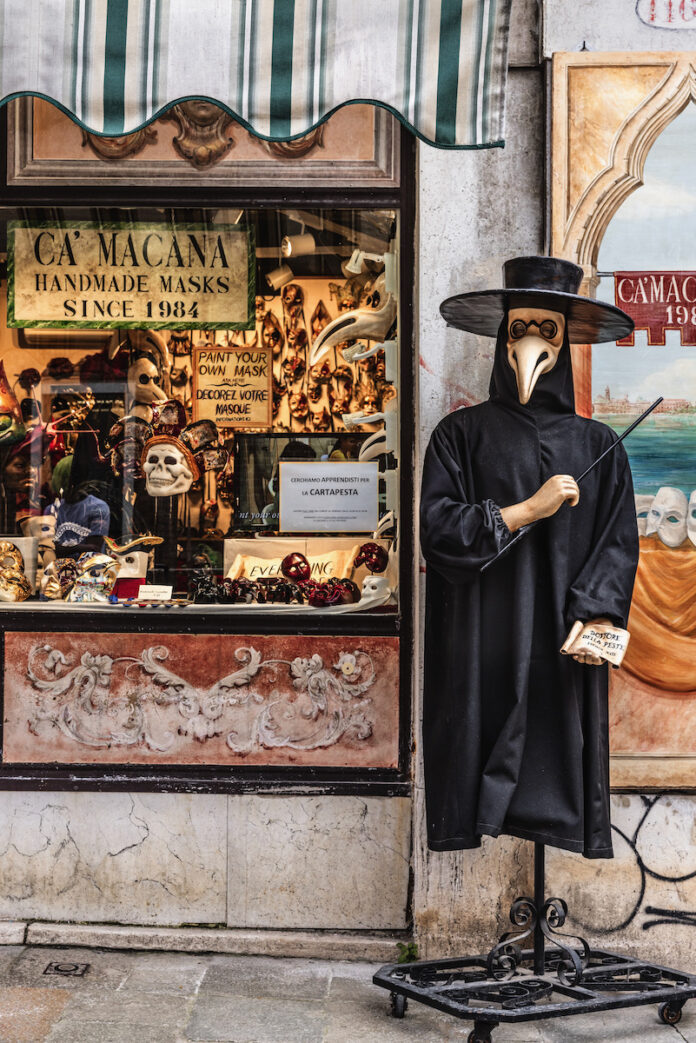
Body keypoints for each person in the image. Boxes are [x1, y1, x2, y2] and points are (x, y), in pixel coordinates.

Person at [420, 257, 640, 859]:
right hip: (483, 635)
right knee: (480, 737)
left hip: (561, 640)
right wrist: (525, 510)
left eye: (547, 329)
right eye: (520, 329)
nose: (532, 343)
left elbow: (619, 544)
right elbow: (437, 532)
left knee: (558, 750)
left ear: (564, 340)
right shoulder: (458, 437)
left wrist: (595, 613)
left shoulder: (599, 446)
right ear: (502, 337)